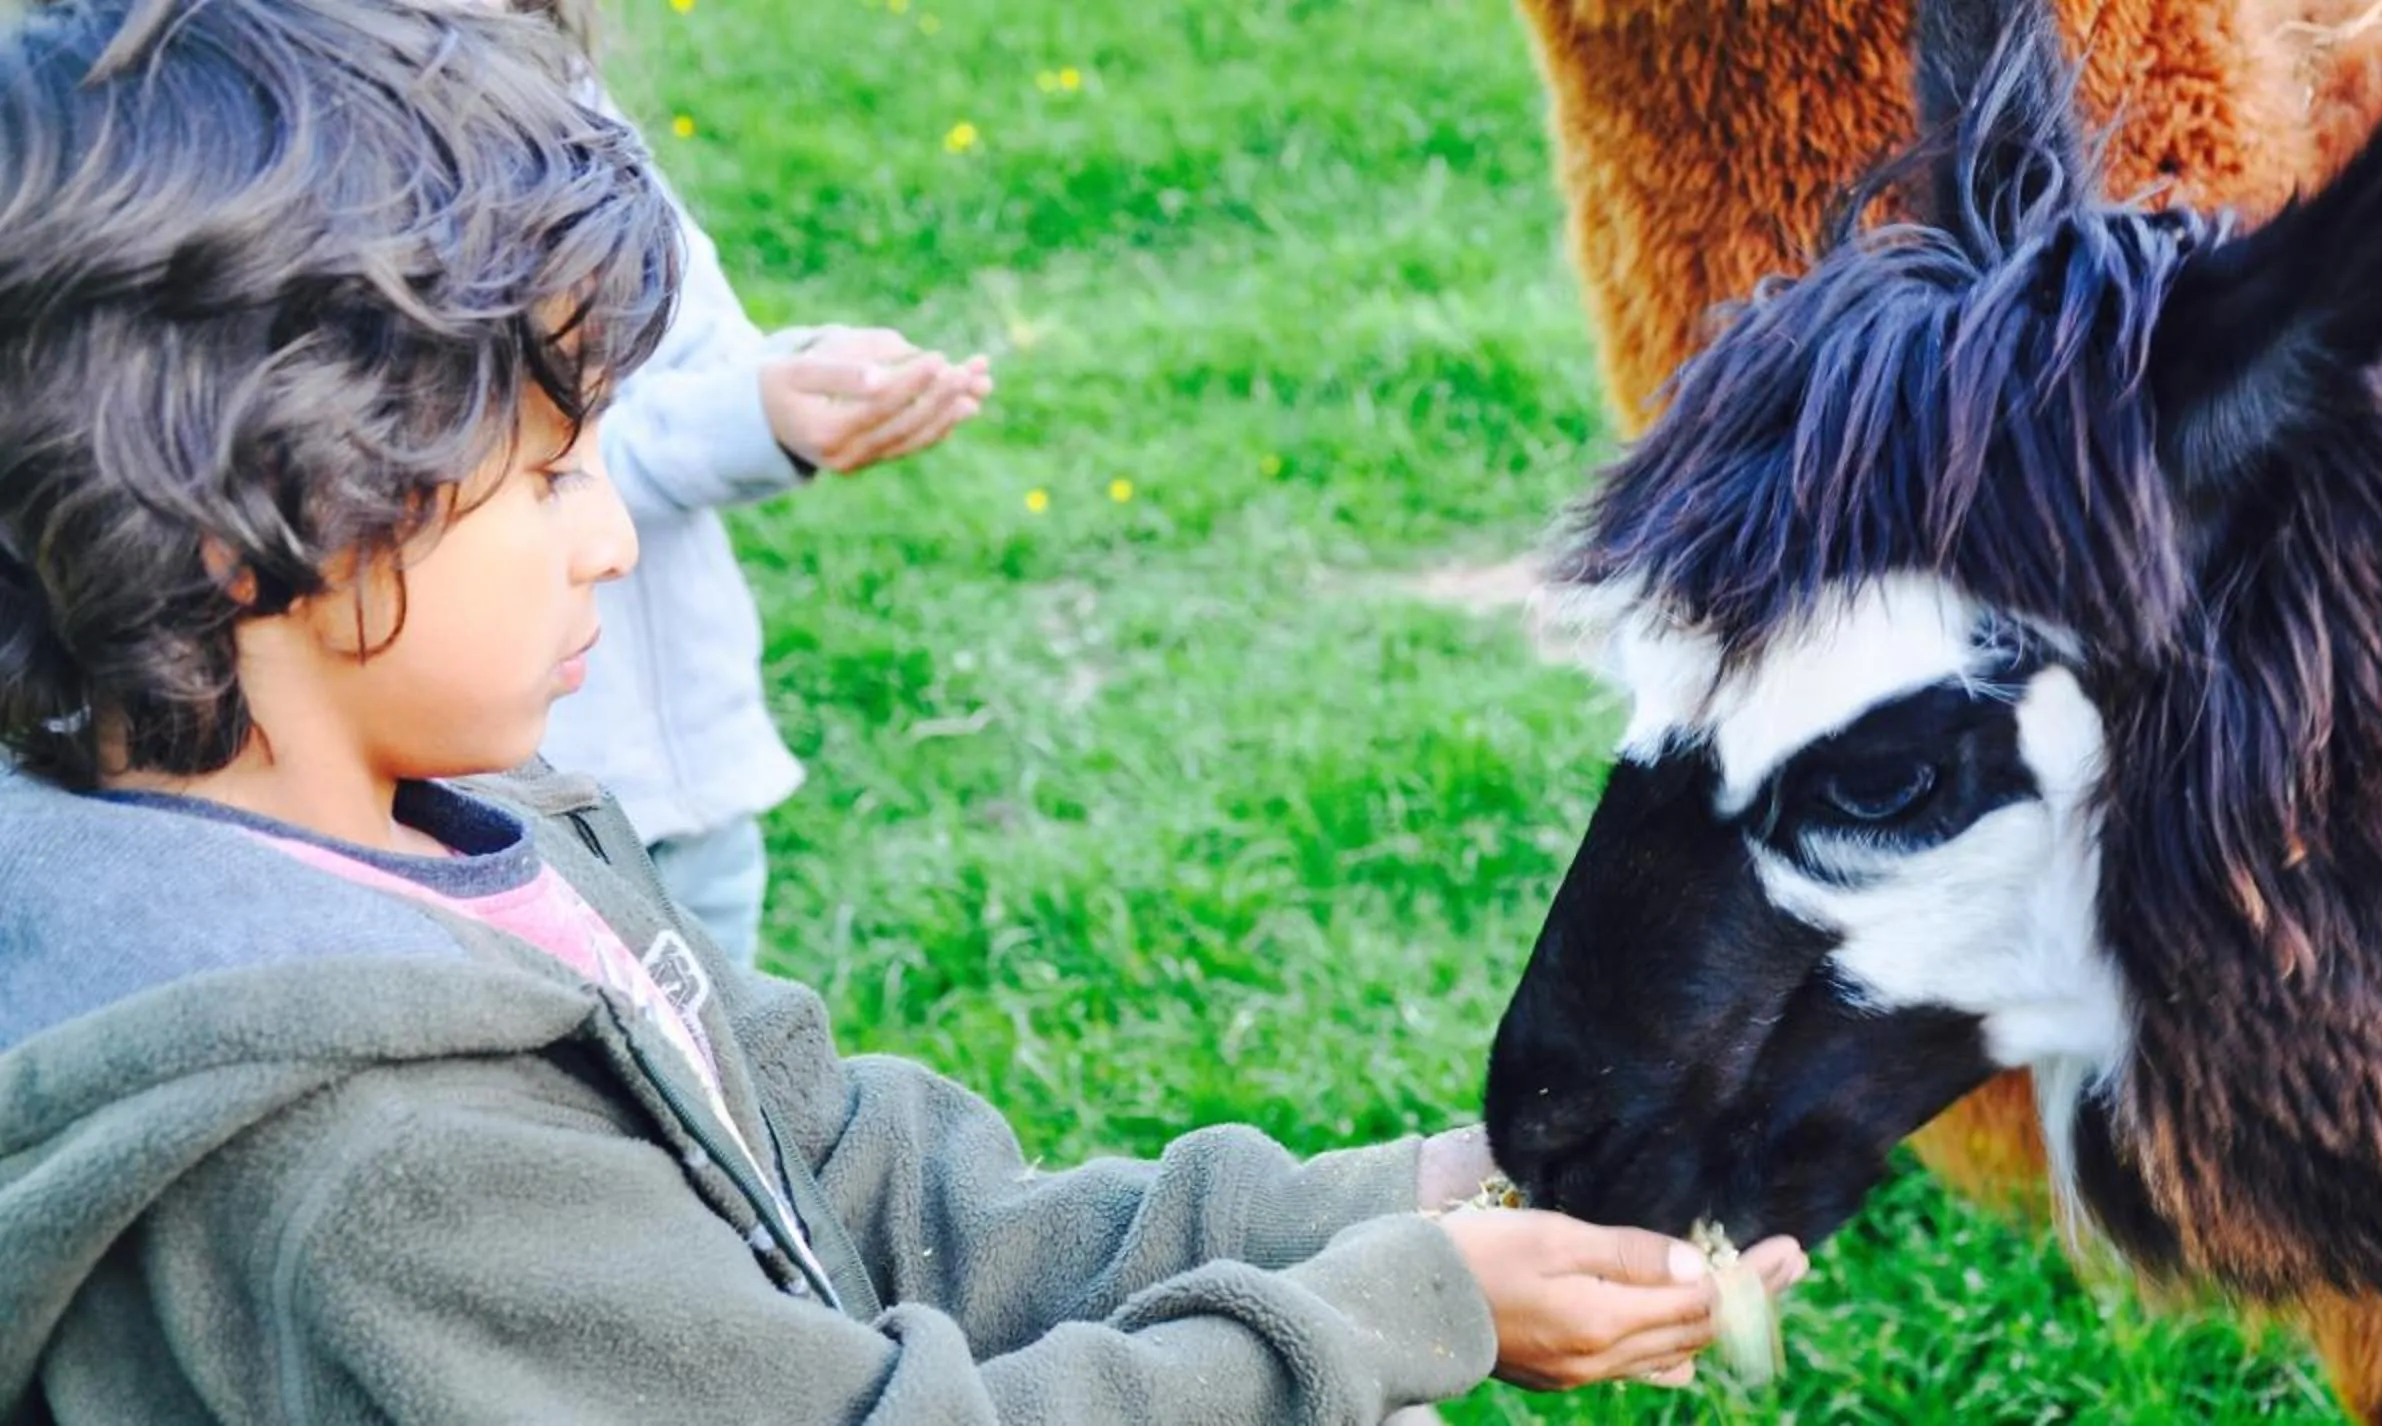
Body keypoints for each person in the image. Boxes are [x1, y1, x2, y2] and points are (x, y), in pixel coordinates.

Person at [0, 2, 1803, 1422]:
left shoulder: (462, 832)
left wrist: (1411, 1201)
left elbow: (857, 1189)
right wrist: (1375, 1327)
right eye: (548, 478)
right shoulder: (380, 1175)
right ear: (276, 530)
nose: (617, 539)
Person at [526, 0, 992, 967]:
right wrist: (754, 417)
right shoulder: (332, 146)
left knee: (726, 1097)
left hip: (694, 795)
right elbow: (506, 446)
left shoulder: (565, 91)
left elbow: (688, 350)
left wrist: (805, 376)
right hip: (534, 808)